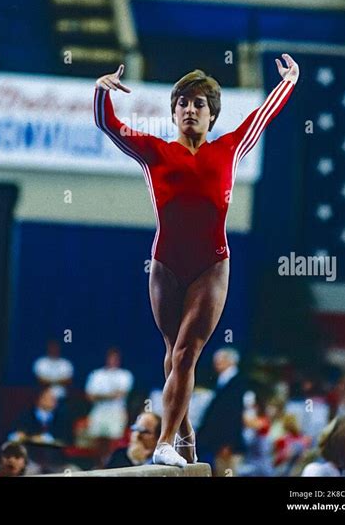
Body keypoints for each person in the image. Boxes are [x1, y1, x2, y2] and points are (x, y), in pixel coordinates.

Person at [94, 55, 299, 466]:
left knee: (187, 354)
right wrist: (101, 91)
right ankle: (185, 433)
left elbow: (265, 114)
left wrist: (289, 81)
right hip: (165, 266)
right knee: (173, 355)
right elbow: (108, 125)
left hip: (212, 266)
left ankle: (165, 441)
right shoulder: (154, 152)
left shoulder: (229, 148)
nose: (190, 109)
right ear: (173, 113)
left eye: (199, 104)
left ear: (212, 114)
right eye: (183, 103)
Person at [197, 348, 249, 473]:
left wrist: (228, 443)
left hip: (227, 445)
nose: (216, 363)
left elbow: (233, 415)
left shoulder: (235, 383)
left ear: (230, 361)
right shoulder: (224, 382)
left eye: (220, 360)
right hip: (219, 443)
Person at [85, 347, 134, 468]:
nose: (113, 360)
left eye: (116, 358)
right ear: (107, 359)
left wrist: (100, 395)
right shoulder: (96, 374)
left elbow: (120, 394)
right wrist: (110, 395)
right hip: (99, 411)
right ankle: (98, 466)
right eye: (111, 358)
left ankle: (111, 466)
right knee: (98, 441)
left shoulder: (125, 375)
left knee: (113, 442)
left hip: (116, 412)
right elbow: (90, 396)